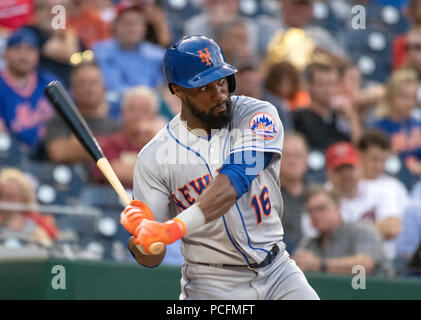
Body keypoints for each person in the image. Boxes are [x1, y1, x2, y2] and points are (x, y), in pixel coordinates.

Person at [120, 35, 319, 300]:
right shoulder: (153, 157)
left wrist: (173, 228)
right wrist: (141, 238)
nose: (219, 94)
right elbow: (151, 258)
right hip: (211, 283)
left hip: (277, 272)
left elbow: (234, 182)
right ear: (177, 90)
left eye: (221, 81)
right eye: (204, 87)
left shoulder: (258, 114)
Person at [324, 141, 404, 262]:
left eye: (349, 167)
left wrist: (342, 235)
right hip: (335, 267)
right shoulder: (321, 197)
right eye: (339, 169)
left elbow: (392, 228)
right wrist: (374, 229)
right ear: (328, 173)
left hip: (381, 264)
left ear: (359, 167)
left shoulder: (381, 188)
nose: (346, 174)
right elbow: (321, 237)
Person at [292, 185, 388, 276]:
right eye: (310, 211)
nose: (315, 215)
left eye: (321, 208)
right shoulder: (309, 243)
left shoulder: (362, 230)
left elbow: (364, 265)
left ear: (337, 209)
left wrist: (320, 265)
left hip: (374, 291)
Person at [90, 86, 167, 187]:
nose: (137, 115)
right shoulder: (108, 143)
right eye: (132, 109)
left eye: (144, 110)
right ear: (123, 112)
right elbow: (111, 174)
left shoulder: (163, 146)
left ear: (154, 116)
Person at [44, 61, 119, 163]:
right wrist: (109, 144)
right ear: (72, 89)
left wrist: (75, 146)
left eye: (93, 83)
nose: (88, 89)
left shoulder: (117, 119)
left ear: (104, 88)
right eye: (82, 83)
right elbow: (58, 153)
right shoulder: (61, 120)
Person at [0, 27, 55, 155]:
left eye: (30, 49)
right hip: (12, 157)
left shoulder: (50, 82)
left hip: (51, 154)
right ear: (5, 53)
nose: (23, 55)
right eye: (17, 48)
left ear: (38, 55)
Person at [92, 3, 165, 97]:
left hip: (151, 105)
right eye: (126, 23)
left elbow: (162, 88)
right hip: (115, 107)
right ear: (114, 26)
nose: (132, 29)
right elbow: (110, 86)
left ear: (144, 27)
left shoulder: (158, 54)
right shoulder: (101, 52)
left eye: (137, 23)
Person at [293, 62, 362, 152]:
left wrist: (352, 117)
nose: (328, 90)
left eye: (332, 84)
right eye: (321, 84)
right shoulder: (299, 118)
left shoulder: (341, 116)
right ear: (309, 86)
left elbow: (359, 148)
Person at [372, 68, 421, 180]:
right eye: (404, 97)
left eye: (413, 97)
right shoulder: (379, 127)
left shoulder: (418, 123)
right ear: (391, 97)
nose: (409, 103)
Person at [0, 168, 58, 247]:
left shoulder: (37, 224)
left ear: (24, 198)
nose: (9, 202)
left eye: (13, 196)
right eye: (5, 196)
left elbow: (48, 246)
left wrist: (40, 240)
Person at [279, 132, 311, 253]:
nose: (292, 161)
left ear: (307, 159)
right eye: (286, 155)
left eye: (298, 155)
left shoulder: (319, 194)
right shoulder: (267, 196)